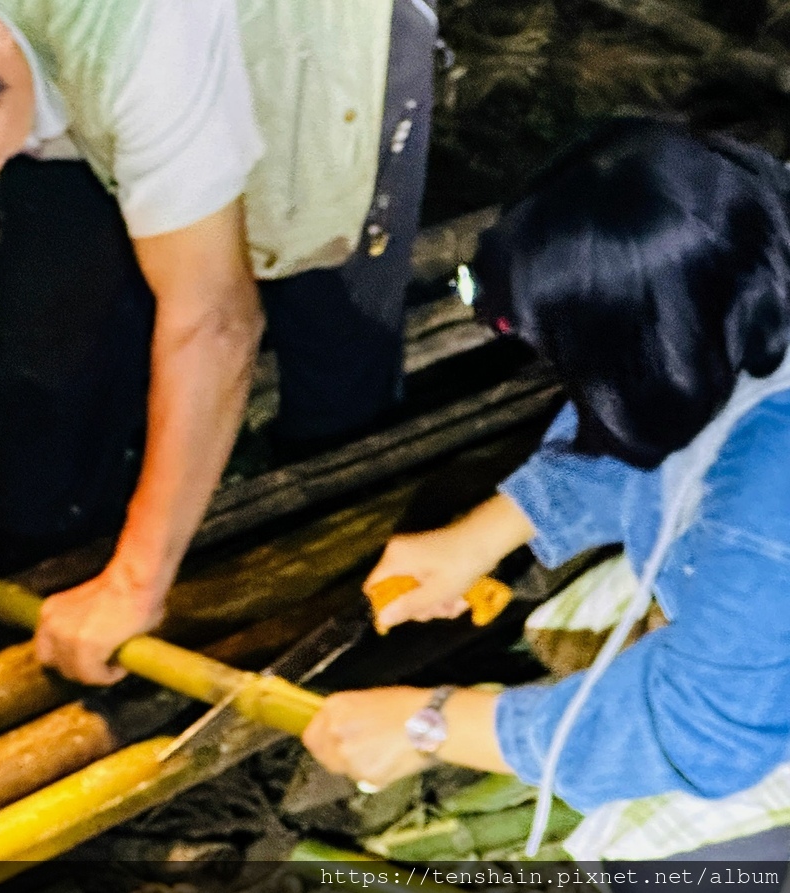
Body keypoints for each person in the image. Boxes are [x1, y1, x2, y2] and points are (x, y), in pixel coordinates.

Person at [0, 0, 438, 685]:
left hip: (304, 40)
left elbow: (214, 320)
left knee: (330, 335)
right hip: (57, 61)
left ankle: (351, 619)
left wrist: (135, 584)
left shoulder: (133, 30)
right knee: (51, 371)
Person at [303, 117, 790, 861]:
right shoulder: (748, 263)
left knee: (663, 863)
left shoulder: (767, 491)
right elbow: (649, 410)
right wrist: (483, 534)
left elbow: (704, 728)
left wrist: (435, 724)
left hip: (740, 684)